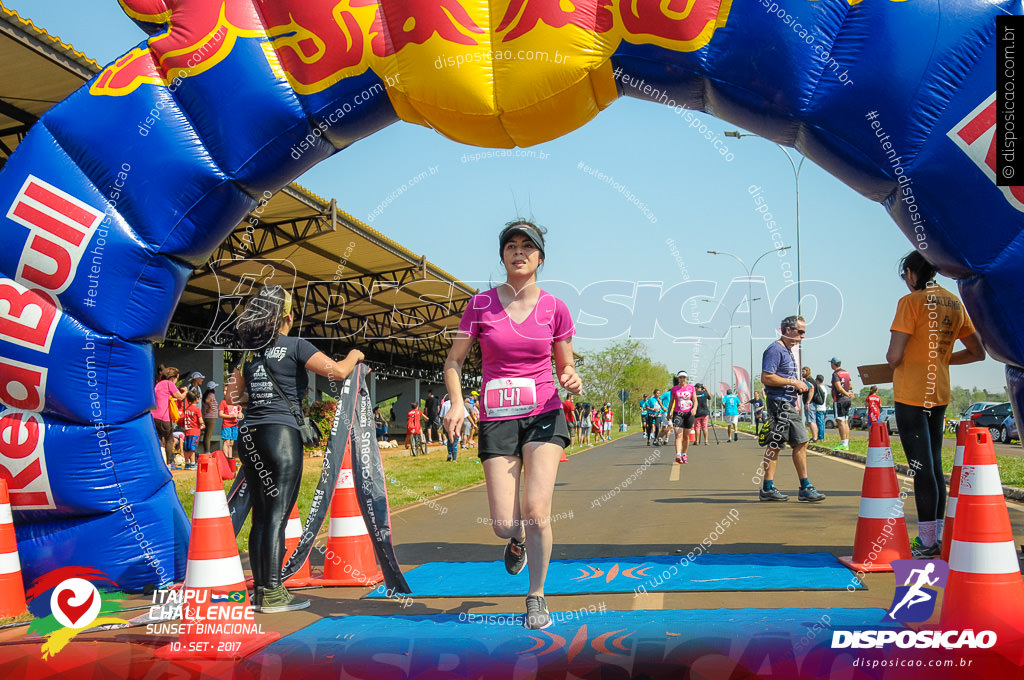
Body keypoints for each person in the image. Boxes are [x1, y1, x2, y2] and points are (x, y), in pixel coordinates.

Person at [442, 220, 580, 630]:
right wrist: (456, 403)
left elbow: (565, 362)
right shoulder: (480, 305)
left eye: (527, 246)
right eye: (511, 246)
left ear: (540, 257)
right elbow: (454, 361)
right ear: (502, 256)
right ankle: (516, 540)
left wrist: (570, 376)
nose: (518, 252)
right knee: (504, 524)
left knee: (537, 509)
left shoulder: (555, 307)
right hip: (498, 417)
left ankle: (536, 596)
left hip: (544, 413)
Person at [225, 284, 364, 612]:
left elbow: (232, 397)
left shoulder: (249, 353)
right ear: (287, 317)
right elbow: (339, 372)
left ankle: (261, 590)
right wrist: (355, 355)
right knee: (277, 515)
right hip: (280, 436)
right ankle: (273, 592)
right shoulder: (295, 345)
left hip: (250, 435)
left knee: (260, 515)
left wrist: (258, 398)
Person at [886, 251, 984, 557]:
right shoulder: (953, 302)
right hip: (938, 393)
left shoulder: (910, 303)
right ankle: (937, 536)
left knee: (921, 468)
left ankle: (927, 542)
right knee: (934, 464)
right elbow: (977, 351)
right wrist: (940, 359)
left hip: (911, 394)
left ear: (912, 273)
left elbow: (893, 356)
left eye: (905, 276)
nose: (905, 281)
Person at [758, 315, 826, 503]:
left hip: (785, 403)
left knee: (777, 445)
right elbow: (766, 377)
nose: (803, 336)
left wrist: (799, 384)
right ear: (788, 330)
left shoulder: (787, 350)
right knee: (801, 442)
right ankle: (804, 487)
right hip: (780, 404)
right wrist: (793, 381)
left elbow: (781, 377)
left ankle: (768, 488)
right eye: (801, 331)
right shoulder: (775, 349)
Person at [152, 367, 187, 466]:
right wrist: (185, 392)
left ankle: (160, 462)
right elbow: (180, 397)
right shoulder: (169, 384)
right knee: (169, 439)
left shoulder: (158, 384)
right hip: (164, 417)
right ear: (172, 377)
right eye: (177, 379)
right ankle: (168, 463)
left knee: (159, 440)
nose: (176, 381)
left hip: (154, 416)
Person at [667, 371, 697, 463]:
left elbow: (695, 400)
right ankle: (678, 455)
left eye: (684, 377)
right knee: (678, 434)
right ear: (678, 379)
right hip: (678, 413)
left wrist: (694, 409)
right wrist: (669, 413)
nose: (682, 379)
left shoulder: (691, 388)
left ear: (686, 378)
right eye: (680, 378)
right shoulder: (674, 389)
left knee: (686, 436)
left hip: (689, 414)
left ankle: (684, 454)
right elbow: (671, 402)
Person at [829, 358, 855, 451]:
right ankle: (846, 443)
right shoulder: (846, 373)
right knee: (845, 421)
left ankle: (843, 443)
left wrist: (845, 393)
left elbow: (839, 388)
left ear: (833, 364)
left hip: (839, 400)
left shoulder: (835, 374)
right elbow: (850, 386)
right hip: (847, 400)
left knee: (840, 422)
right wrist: (848, 393)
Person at [180, 392, 204, 470]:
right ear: (196, 399)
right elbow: (200, 420)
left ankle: (187, 463)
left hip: (187, 431)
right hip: (195, 431)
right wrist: (203, 424)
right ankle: (193, 463)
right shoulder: (197, 409)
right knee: (192, 449)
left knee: (187, 448)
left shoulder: (187, 409)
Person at [219, 394, 242, 459]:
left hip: (235, 425)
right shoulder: (223, 402)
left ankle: (230, 458)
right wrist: (230, 416)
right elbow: (220, 414)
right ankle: (225, 458)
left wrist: (240, 415)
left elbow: (240, 414)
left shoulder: (237, 403)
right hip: (227, 424)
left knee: (231, 443)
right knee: (226, 441)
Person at [201, 381, 219, 456]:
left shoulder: (206, 394)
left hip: (207, 416)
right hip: (211, 416)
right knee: (208, 435)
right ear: (213, 388)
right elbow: (207, 400)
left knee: (206, 434)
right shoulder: (211, 395)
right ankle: (207, 451)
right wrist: (210, 407)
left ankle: (207, 451)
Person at [801, 367, 818, 441]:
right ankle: (815, 437)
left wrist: (808, 402)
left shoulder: (809, 381)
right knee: (811, 420)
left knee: (811, 421)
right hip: (810, 403)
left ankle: (814, 438)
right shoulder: (808, 380)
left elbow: (811, 390)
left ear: (807, 372)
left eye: (803, 371)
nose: (802, 373)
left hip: (810, 403)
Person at [813, 375, 828, 441]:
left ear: (817, 380)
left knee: (820, 423)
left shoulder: (818, 388)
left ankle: (821, 437)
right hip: (823, 407)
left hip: (819, 407)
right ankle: (820, 436)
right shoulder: (824, 388)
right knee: (821, 423)